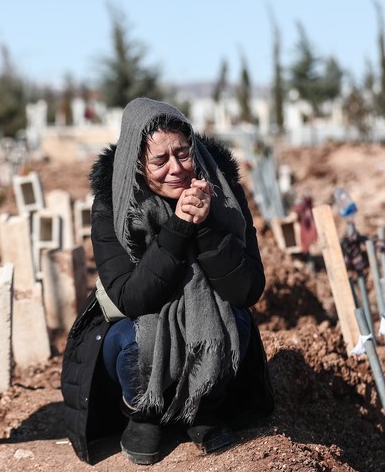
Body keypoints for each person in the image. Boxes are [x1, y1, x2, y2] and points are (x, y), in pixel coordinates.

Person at [61, 97, 274, 465]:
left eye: (184, 153)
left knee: (233, 322)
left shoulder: (223, 193)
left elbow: (247, 289)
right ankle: (144, 412)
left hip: (208, 314)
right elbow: (133, 298)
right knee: (132, 338)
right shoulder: (114, 206)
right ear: (138, 165)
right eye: (160, 161)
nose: (177, 169)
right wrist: (177, 228)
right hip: (141, 321)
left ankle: (203, 405)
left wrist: (205, 227)